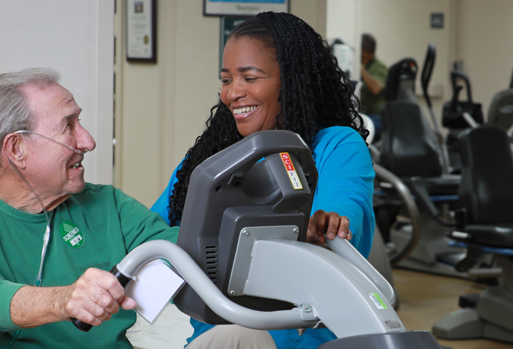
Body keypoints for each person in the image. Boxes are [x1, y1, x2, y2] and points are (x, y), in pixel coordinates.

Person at [150, 12, 375, 349]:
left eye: (250, 78)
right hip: (220, 334)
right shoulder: (210, 160)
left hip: (301, 339)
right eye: (227, 80)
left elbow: (345, 208)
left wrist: (326, 226)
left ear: (292, 81)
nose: (233, 93)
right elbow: (152, 234)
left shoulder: (336, 145)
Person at [0, 68, 179, 349]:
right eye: (68, 126)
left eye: (80, 122)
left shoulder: (109, 206)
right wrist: (65, 300)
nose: (88, 141)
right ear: (17, 149)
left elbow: (185, 260)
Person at [359, 33, 388, 135]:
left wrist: (360, 69)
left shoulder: (379, 67)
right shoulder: (366, 66)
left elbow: (376, 88)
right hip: (365, 114)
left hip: (376, 117)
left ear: (363, 50)